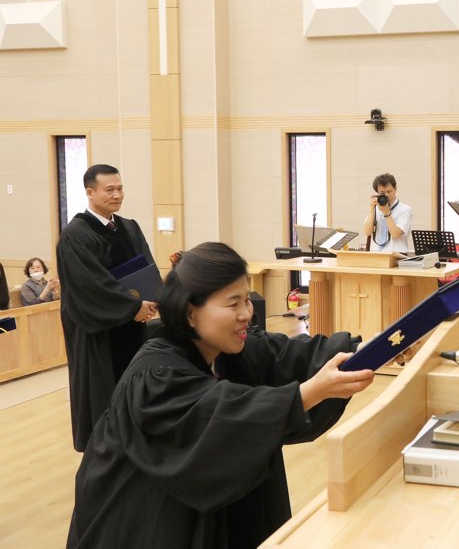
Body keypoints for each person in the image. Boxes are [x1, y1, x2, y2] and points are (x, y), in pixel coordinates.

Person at [68, 242, 374, 548]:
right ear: (190, 312)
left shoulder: (231, 350)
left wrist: (367, 352)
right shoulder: (154, 377)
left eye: (247, 300)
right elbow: (222, 418)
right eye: (232, 304)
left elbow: (289, 356)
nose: (246, 314)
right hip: (142, 522)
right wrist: (308, 393)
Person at [56, 164, 158, 452]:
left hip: (133, 325)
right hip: (99, 331)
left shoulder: (129, 227)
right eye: (109, 189)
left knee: (135, 384)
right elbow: (89, 286)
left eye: (120, 188)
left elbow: (146, 266)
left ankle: (137, 444)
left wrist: (151, 299)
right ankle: (105, 452)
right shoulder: (75, 235)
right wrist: (133, 307)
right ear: (90, 192)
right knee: (103, 394)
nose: (117, 195)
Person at [361, 173, 413, 253]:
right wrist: (371, 209)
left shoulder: (405, 209)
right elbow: (367, 232)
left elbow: (395, 234)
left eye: (389, 191)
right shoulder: (376, 208)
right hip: (376, 254)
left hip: (396, 255)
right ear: (377, 193)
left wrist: (387, 213)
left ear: (395, 188)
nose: (387, 195)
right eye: (382, 193)